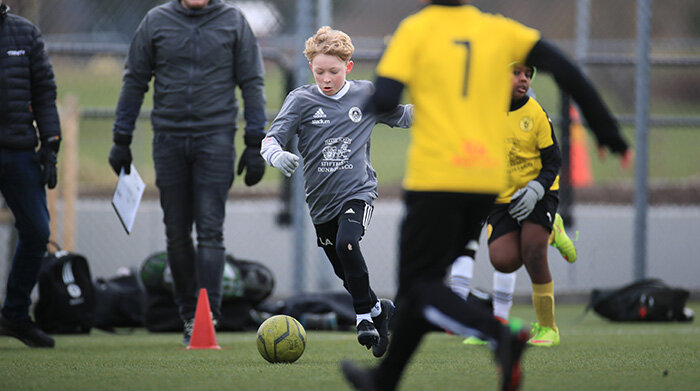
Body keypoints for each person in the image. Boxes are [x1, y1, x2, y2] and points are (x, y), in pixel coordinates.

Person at [340, 1, 631, 391]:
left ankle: (500, 336)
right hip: (484, 183)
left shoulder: (415, 30)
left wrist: (362, 104)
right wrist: (606, 130)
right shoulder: (499, 30)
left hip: (436, 180)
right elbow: (565, 68)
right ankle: (384, 380)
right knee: (424, 290)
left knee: (419, 286)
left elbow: (387, 98)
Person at [108, 0, 267, 345]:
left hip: (216, 139)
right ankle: (186, 315)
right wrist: (121, 138)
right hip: (168, 139)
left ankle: (206, 315)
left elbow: (252, 82)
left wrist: (255, 143)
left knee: (209, 229)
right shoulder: (155, 21)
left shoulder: (234, 22)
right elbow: (135, 80)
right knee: (176, 232)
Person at [261, 26, 410, 358]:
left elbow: (402, 117)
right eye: (319, 72)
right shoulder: (301, 99)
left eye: (334, 71)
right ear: (310, 68)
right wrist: (275, 154)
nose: (326, 78)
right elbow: (272, 137)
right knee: (344, 268)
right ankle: (378, 309)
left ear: (349, 67)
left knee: (347, 242)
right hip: (320, 203)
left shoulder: (365, 95)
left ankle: (362, 319)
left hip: (358, 192)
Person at [450, 71, 578, 346]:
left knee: (533, 252)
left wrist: (535, 190)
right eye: (515, 72)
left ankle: (548, 329)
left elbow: (554, 162)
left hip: (538, 193)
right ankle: (552, 231)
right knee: (503, 260)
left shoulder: (535, 113)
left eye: (527, 74)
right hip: (502, 199)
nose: (523, 79)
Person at [0, 0, 60, 348]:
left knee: (37, 231)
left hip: (20, 149)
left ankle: (15, 315)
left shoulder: (25, 32)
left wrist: (51, 142)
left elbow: (44, 91)